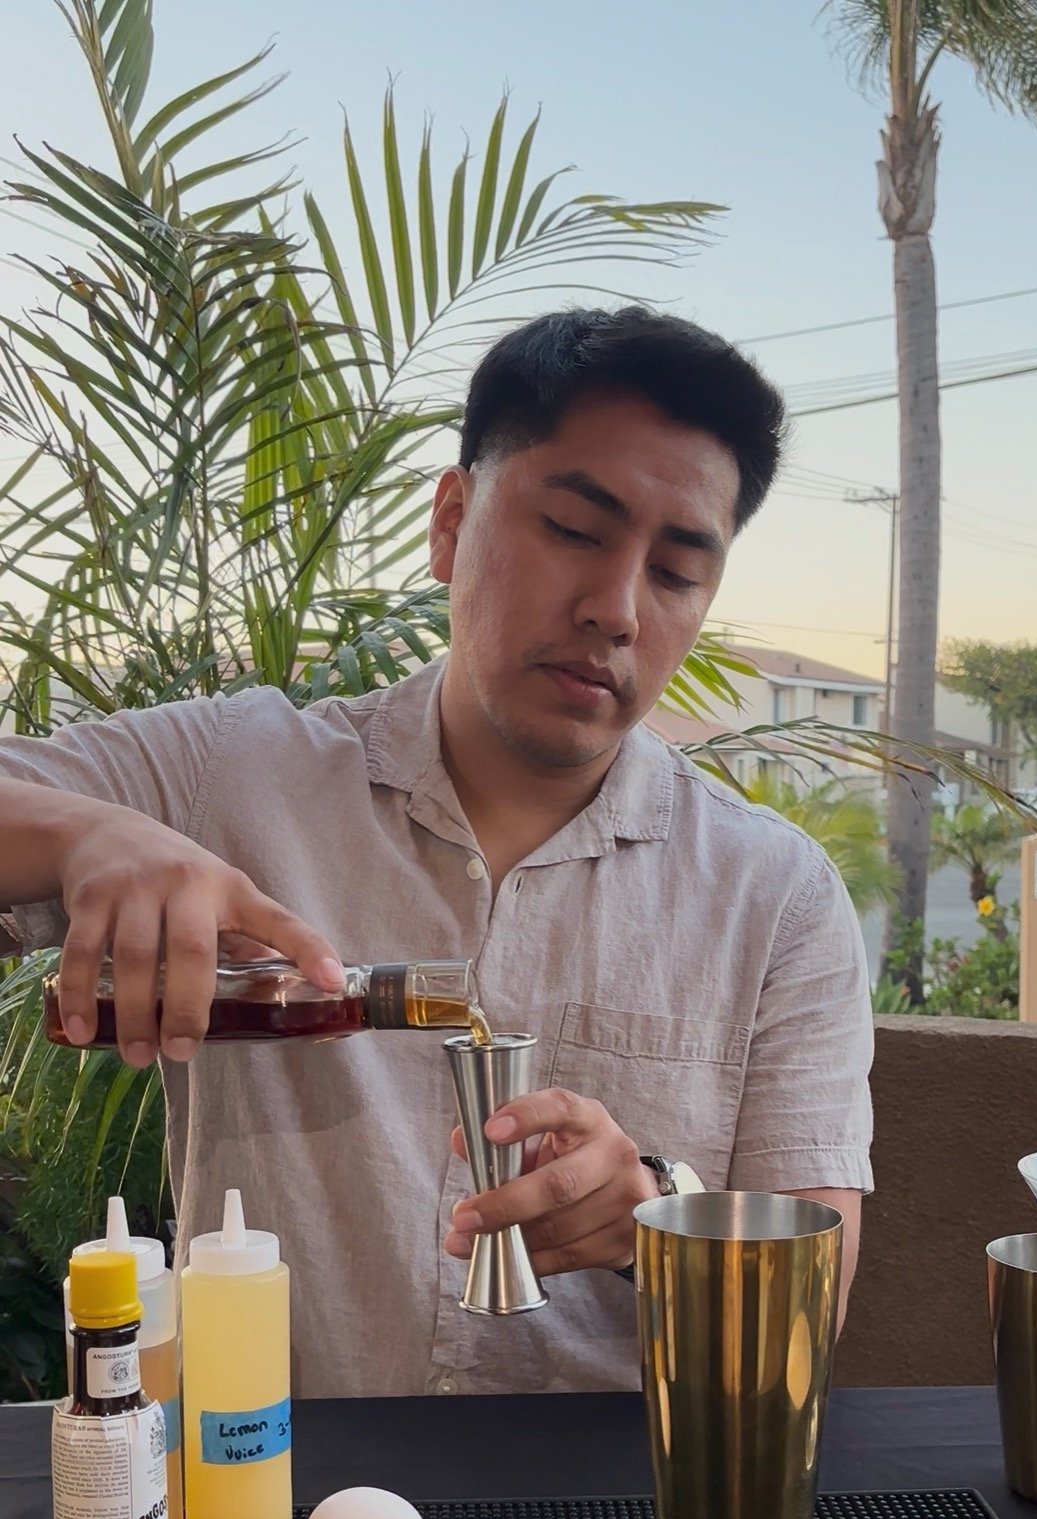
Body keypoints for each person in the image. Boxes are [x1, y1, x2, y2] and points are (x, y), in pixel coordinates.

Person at [0, 305, 873, 1397]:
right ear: (453, 520)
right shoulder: (233, 774)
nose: (616, 610)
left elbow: (812, 1305)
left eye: (678, 572)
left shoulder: (775, 896)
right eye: (573, 528)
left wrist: (652, 1209)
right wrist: (87, 831)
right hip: (262, 1496)